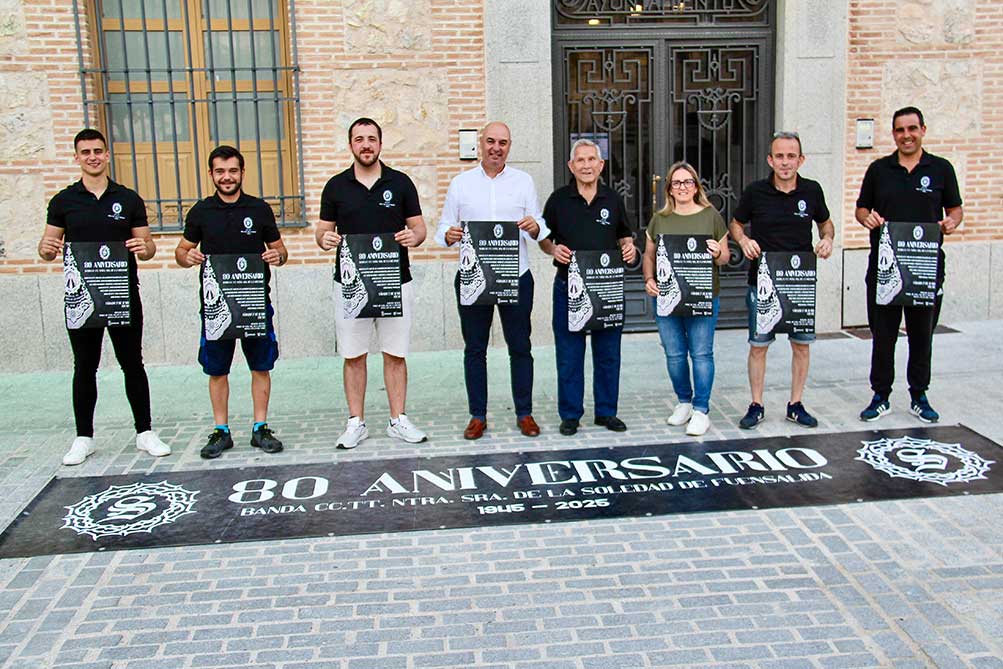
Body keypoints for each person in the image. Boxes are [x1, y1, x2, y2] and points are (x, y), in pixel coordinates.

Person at [38, 128, 171, 465]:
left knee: (133, 364)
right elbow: (47, 248)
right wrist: (46, 248)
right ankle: (84, 438)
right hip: (81, 299)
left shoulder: (128, 199)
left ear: (108, 154)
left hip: (121, 295)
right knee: (84, 366)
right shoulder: (63, 201)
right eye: (86, 152)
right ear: (77, 157)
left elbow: (148, 247)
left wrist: (146, 247)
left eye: (98, 151)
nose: (93, 157)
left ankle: (145, 432)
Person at [316, 118, 428, 449]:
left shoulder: (401, 183)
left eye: (372, 139)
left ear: (380, 143)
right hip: (350, 285)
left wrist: (414, 237)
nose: (366, 145)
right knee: (354, 355)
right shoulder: (336, 186)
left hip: (395, 282)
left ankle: (398, 420)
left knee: (395, 354)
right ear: (350, 144)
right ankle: (356, 422)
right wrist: (325, 240)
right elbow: (321, 231)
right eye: (359, 139)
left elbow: (419, 228)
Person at [435, 121, 548, 440]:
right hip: (473, 278)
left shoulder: (524, 181)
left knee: (521, 346)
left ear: (509, 146)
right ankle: (477, 416)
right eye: (490, 142)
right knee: (475, 348)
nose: (496, 147)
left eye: (503, 142)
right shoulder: (461, 183)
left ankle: (524, 413)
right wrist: (449, 234)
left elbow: (540, 224)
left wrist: (535, 227)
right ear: (480, 144)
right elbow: (442, 227)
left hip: (516, 276)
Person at [175, 145, 288, 459]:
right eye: (220, 171)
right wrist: (189, 257)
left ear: (242, 173)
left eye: (233, 171)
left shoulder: (259, 209)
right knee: (217, 370)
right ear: (211, 174)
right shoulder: (200, 211)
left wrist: (276, 256)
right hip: (216, 307)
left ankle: (260, 428)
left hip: (254, 304)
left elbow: (281, 251)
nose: (227, 177)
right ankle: (221, 431)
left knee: (261, 366)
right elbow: (181, 251)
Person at [855, 106, 963, 423]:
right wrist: (867, 218)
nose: (906, 135)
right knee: (883, 335)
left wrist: (952, 223)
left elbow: (956, 210)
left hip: (925, 269)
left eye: (912, 129)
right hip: (885, 268)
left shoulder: (941, 169)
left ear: (923, 130)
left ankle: (919, 395)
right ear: (893, 134)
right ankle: (881, 396)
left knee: (921, 335)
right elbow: (861, 209)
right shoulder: (879, 170)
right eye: (900, 130)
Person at [729, 131, 834, 429]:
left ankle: (796, 404)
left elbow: (826, 224)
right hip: (762, 282)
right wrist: (743, 240)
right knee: (758, 346)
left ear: (801, 160)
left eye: (791, 156)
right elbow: (735, 224)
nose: (785, 162)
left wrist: (826, 240)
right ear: (770, 159)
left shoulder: (812, 191)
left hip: (799, 283)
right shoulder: (755, 192)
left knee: (801, 346)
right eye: (779, 156)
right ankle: (756, 405)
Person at [540, 139, 637, 436]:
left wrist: (630, 247)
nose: (586, 165)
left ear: (601, 165)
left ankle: (607, 412)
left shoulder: (613, 199)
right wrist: (551, 250)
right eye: (580, 160)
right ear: (571, 166)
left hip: (605, 289)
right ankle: (570, 414)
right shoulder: (558, 200)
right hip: (568, 287)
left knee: (608, 353)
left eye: (591, 159)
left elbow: (624, 236)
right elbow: (544, 237)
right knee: (569, 354)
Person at [642, 161, 730, 437]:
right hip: (667, 298)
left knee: (701, 353)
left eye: (688, 182)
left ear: (696, 187)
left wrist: (717, 253)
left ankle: (701, 409)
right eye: (677, 183)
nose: (682, 187)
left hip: (703, 296)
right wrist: (648, 279)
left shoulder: (710, 216)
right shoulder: (660, 218)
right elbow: (649, 255)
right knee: (675, 354)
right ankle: (684, 401)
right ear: (669, 188)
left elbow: (726, 257)